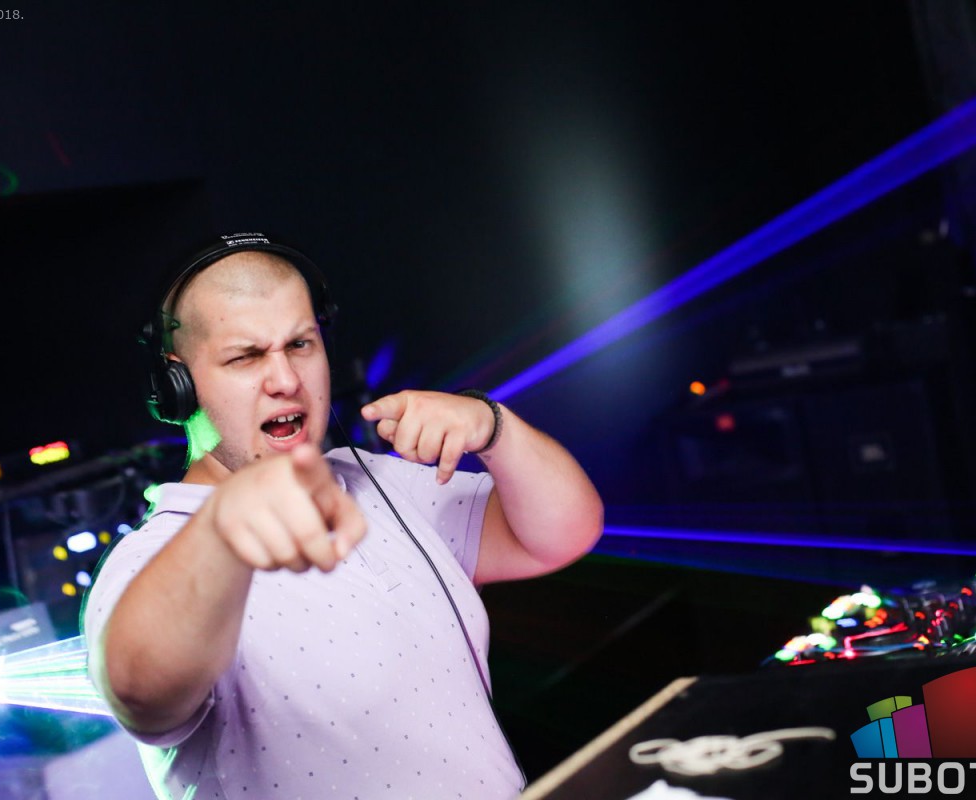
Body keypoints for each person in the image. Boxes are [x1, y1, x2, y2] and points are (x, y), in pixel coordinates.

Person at [84, 233, 604, 800]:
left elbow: (563, 533)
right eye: (246, 356)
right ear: (177, 385)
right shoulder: (149, 559)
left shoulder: (380, 481)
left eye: (300, 344)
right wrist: (223, 527)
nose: (286, 380)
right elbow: (141, 695)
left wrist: (493, 427)